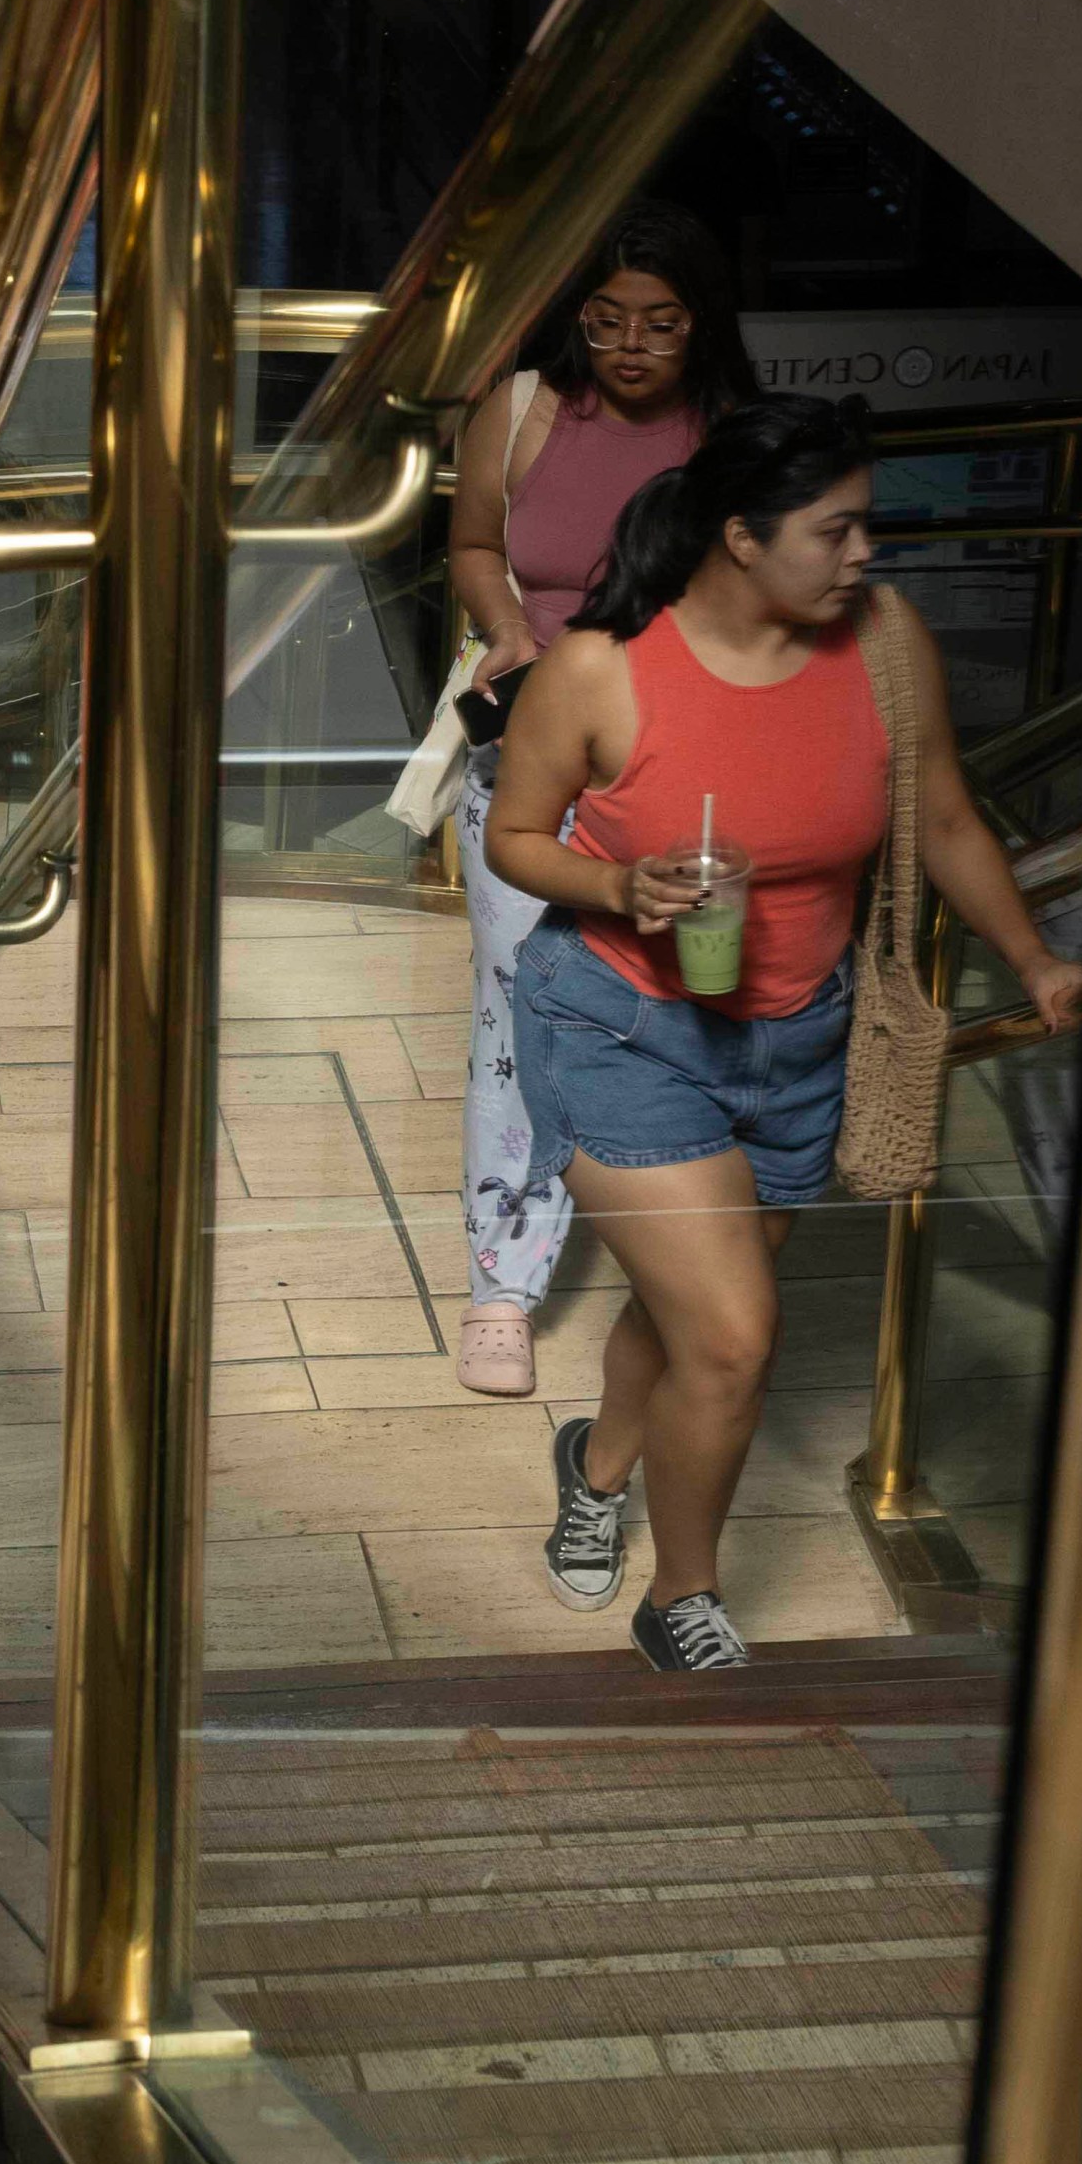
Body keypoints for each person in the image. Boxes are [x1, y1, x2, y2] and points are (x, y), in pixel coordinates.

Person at [486, 397, 1082, 1674]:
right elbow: (514, 838)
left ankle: (592, 1467)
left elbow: (949, 822)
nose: (867, 555)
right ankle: (682, 1595)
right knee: (734, 1333)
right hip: (625, 1025)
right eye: (841, 529)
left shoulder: (882, 644)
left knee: (694, 1306)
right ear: (742, 536)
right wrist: (621, 887)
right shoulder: (602, 665)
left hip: (800, 1040)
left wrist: (1035, 960)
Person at [439, 201, 758, 1396]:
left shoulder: (730, 432)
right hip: (531, 747)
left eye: (661, 325)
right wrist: (510, 624)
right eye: (608, 320)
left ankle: (671, 1257)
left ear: (701, 329)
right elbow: (476, 544)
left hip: (678, 757)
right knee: (517, 1015)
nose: (630, 347)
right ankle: (502, 1288)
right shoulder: (522, 410)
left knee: (685, 995)